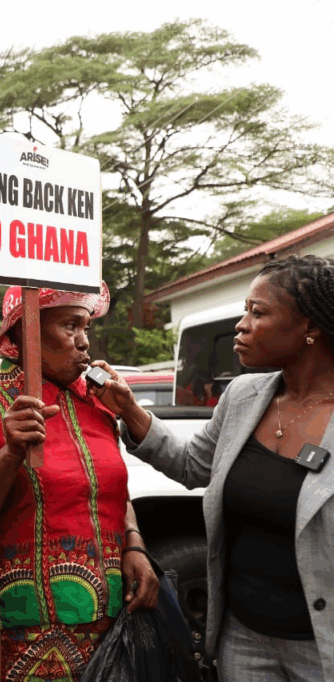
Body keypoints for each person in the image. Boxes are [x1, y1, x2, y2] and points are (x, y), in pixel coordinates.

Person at [102, 255, 334, 681]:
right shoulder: (244, 396)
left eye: (258, 313)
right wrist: (130, 411)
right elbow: (192, 465)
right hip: (243, 641)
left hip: (321, 648)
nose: (241, 326)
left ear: (309, 327)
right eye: (245, 310)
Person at [0, 282, 158, 682]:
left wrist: (134, 545)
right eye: (69, 326)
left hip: (114, 621)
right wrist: (11, 454)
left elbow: (115, 494)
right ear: (26, 332)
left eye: (86, 328)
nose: (84, 342)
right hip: (26, 628)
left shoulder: (99, 403)